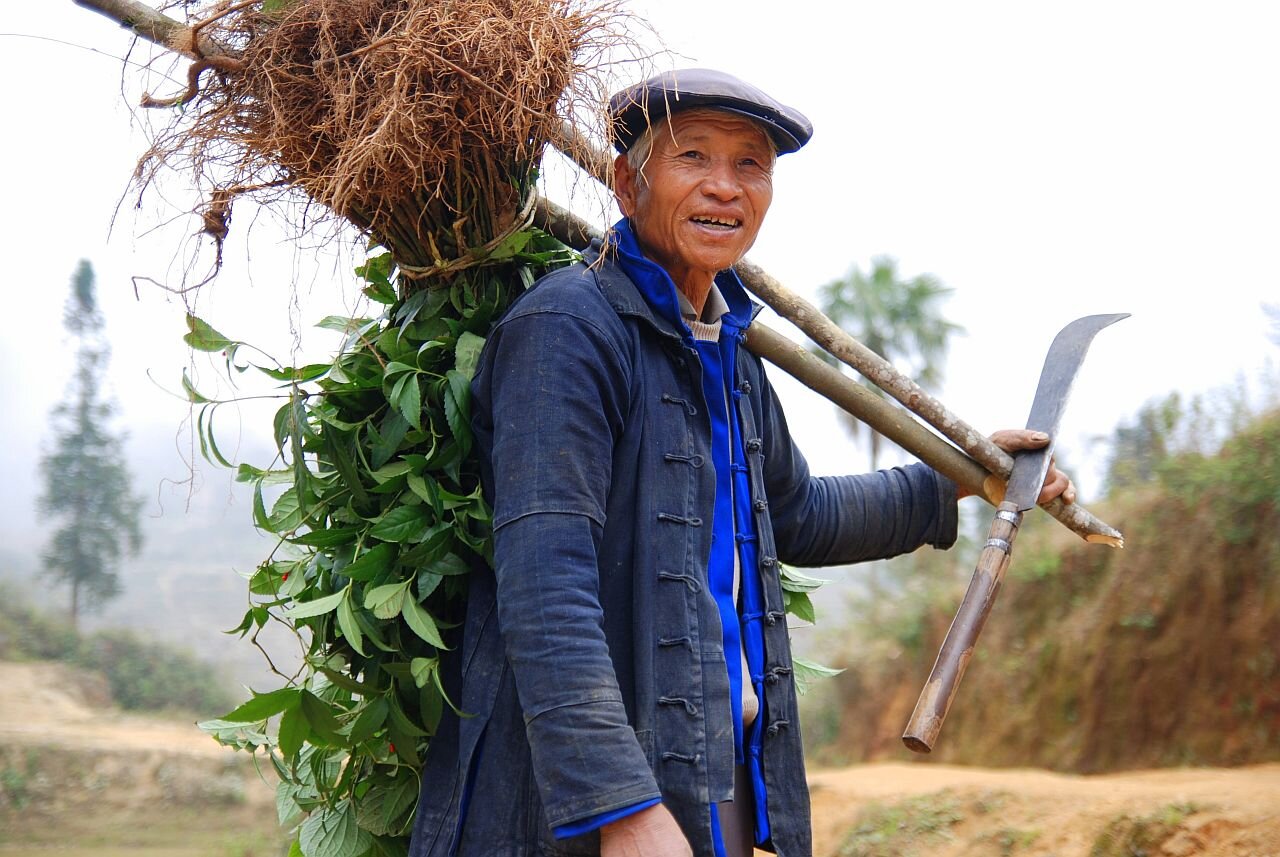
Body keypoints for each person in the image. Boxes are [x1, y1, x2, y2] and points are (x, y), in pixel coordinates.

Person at [407, 68, 1073, 857]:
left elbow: (797, 515)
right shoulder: (567, 330)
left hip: (707, 780)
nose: (725, 188)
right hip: (572, 812)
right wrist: (623, 809)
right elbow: (546, 583)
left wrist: (958, 480)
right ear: (626, 182)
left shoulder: (731, 353)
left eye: (750, 164)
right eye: (693, 157)